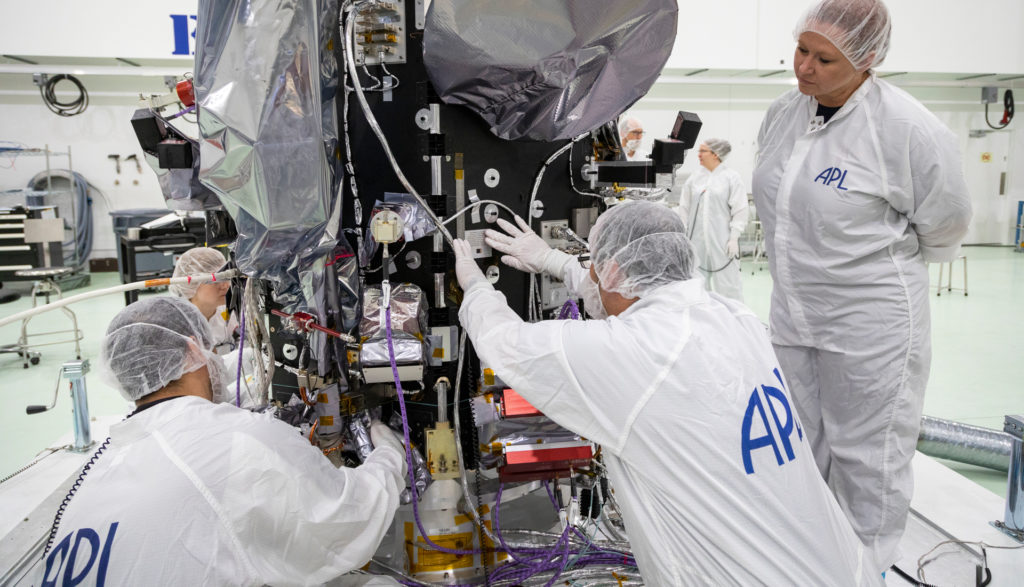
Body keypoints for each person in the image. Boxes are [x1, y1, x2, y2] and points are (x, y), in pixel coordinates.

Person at [455, 202, 879, 585]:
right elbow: (623, 295)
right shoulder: (733, 317)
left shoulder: (634, 355)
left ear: (615, 272)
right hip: (844, 569)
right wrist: (555, 262)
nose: (593, 280)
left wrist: (474, 287)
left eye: (597, 269)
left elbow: (504, 341)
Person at [751, 0, 972, 573]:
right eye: (801, 50)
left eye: (824, 61)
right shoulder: (783, 113)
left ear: (866, 60)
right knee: (795, 442)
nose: (804, 68)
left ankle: (861, 570)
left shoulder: (906, 129)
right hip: (794, 314)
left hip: (869, 322)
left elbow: (945, 223)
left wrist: (862, 269)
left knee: (867, 457)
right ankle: (808, 560)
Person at [37, 296, 406, 586]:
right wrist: (390, 455)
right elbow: (346, 523)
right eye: (211, 348)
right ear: (192, 352)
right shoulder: (232, 438)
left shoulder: (116, 454)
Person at [678, 138, 748, 301]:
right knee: (696, 284)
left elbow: (740, 209)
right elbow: (684, 208)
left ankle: (733, 321)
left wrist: (734, 238)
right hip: (696, 242)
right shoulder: (694, 179)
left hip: (722, 242)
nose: (699, 155)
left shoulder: (731, 178)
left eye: (703, 151)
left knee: (729, 285)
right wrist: (682, 235)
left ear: (716, 154)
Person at [169, 246, 238, 353]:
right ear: (191, 284)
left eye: (226, 277)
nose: (225, 286)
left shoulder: (229, 313)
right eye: (215, 280)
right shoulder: (178, 325)